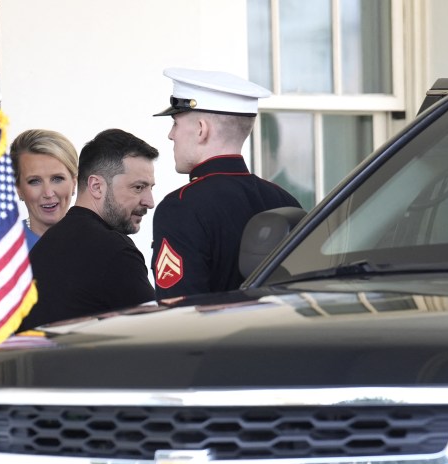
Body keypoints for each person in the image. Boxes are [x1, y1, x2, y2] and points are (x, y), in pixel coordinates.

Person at [150, 67, 301, 299]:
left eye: (176, 123)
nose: (171, 135)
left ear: (201, 130)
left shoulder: (180, 207)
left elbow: (178, 313)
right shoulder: (285, 200)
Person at [16, 128, 159, 331]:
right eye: (138, 187)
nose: (149, 201)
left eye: (150, 188)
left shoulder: (46, 245)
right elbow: (157, 336)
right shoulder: (113, 250)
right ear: (96, 186)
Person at [9, 128, 78, 246]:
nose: (48, 193)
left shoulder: (100, 243)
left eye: (57, 179)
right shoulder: (3, 248)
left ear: (74, 183)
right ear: (18, 188)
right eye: (34, 181)